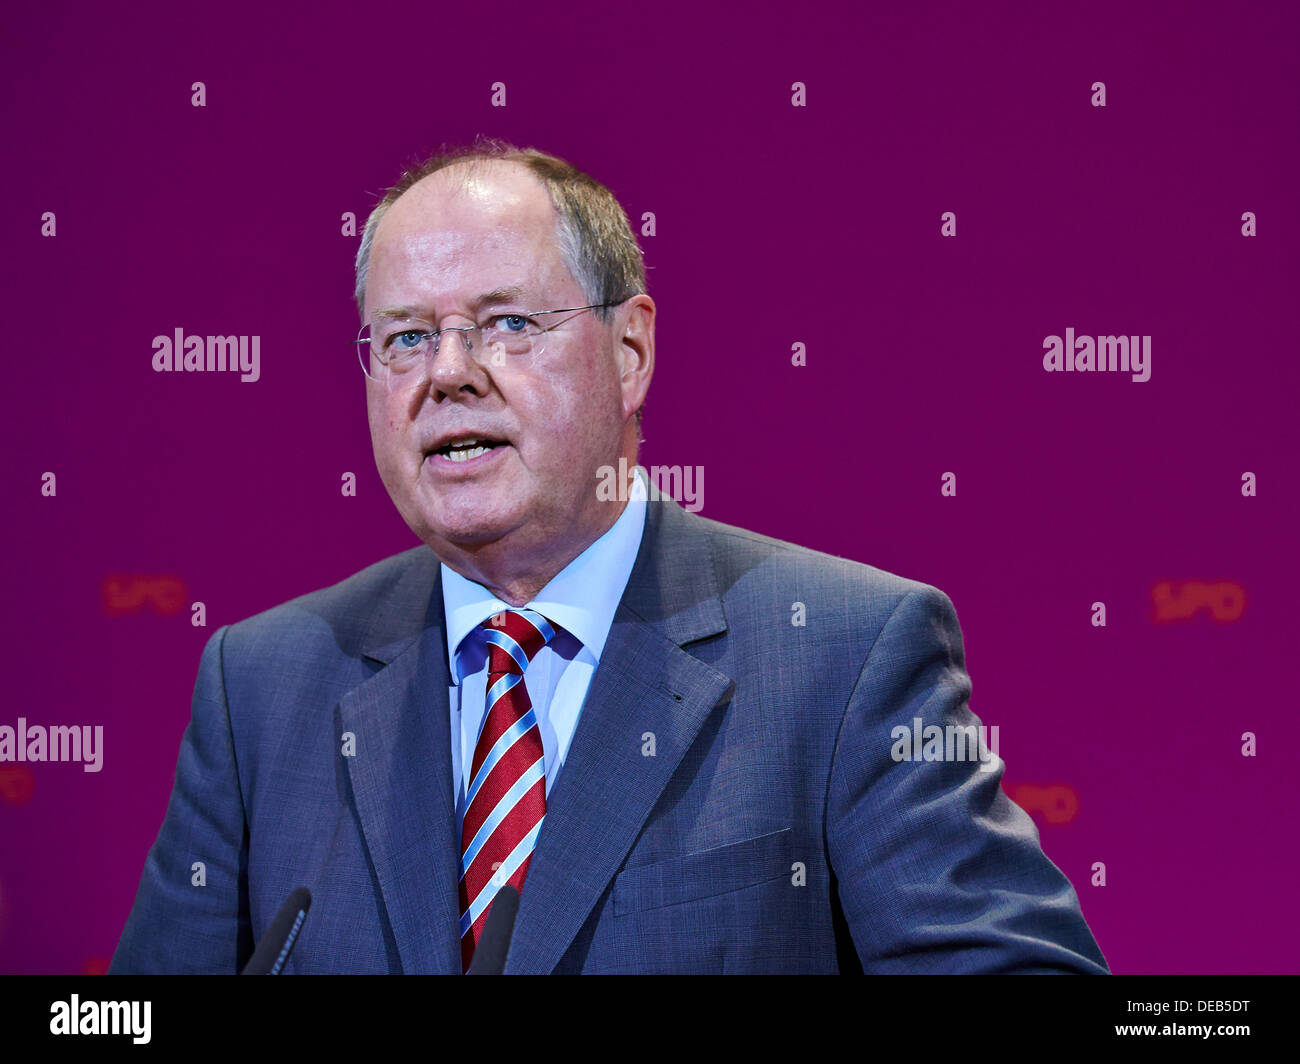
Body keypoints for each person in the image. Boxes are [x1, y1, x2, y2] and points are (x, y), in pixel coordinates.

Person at [110, 138, 1108, 974]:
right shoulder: (262, 683)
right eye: (405, 338)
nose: (447, 375)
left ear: (629, 352)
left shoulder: (843, 654)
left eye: (506, 324)